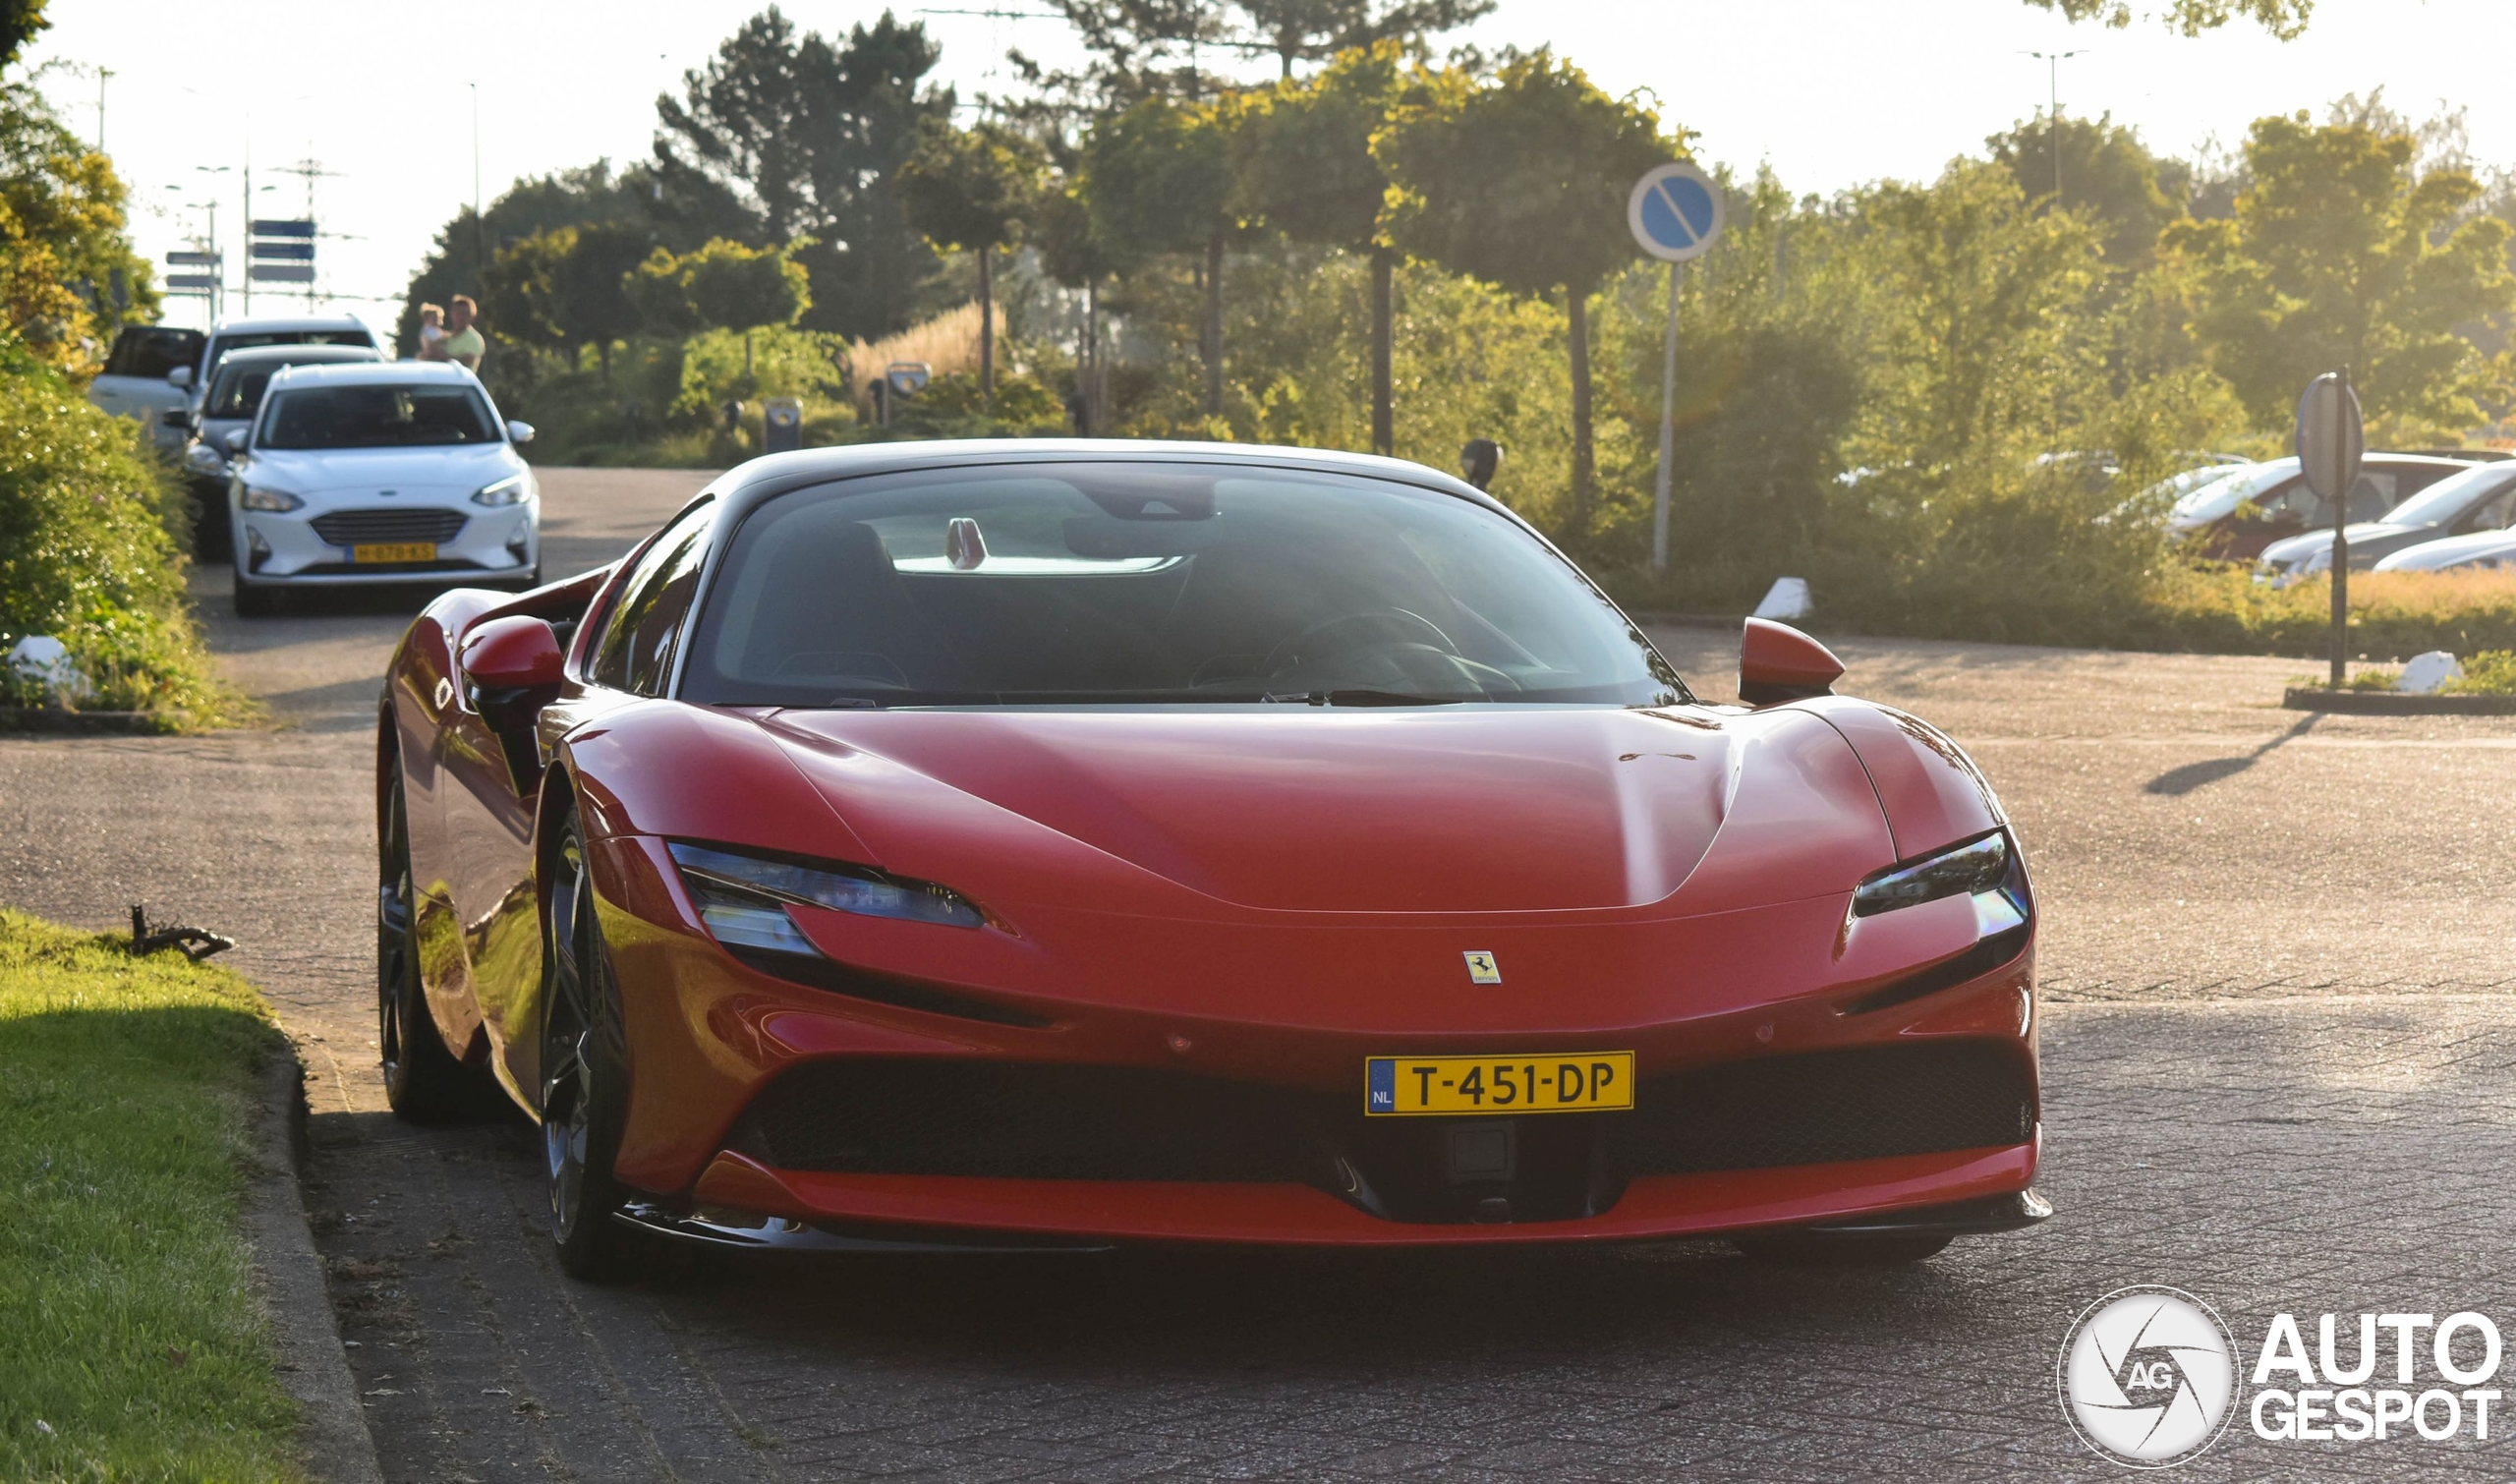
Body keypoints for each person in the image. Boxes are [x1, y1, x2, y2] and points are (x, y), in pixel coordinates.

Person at [438, 296, 485, 372]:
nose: (461, 317)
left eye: (465, 313)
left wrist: (440, 356)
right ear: (451, 314)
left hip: (461, 383)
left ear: (472, 316)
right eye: (458, 313)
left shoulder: (474, 339)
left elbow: (466, 364)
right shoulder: (444, 338)